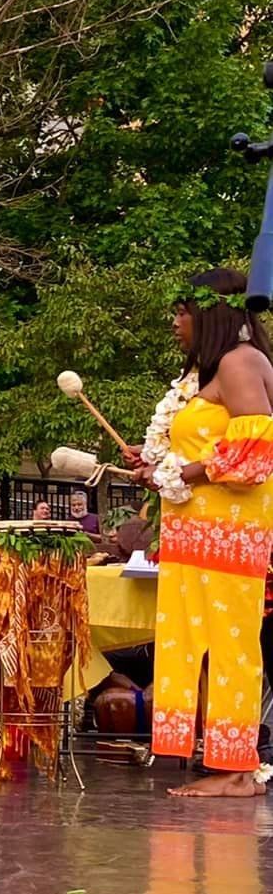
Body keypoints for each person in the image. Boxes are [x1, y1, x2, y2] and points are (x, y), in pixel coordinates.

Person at [124, 269, 273, 798]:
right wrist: (157, 462)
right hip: (194, 537)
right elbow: (206, 446)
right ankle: (214, 755)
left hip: (228, 538)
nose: (175, 321)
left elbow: (256, 447)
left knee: (230, 647)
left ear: (210, 313)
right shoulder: (209, 371)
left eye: (183, 311)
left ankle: (238, 770)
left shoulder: (239, 362)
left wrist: (181, 473)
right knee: (193, 645)